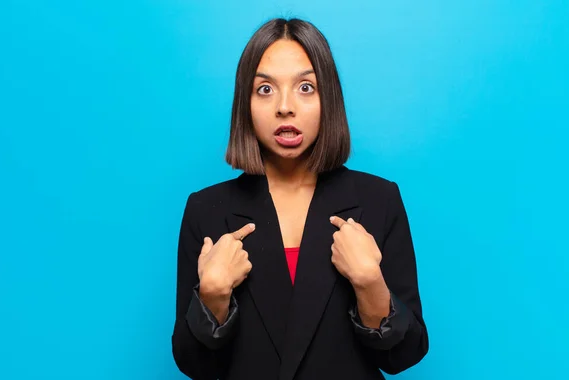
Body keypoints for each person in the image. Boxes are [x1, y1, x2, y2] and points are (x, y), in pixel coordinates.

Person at [171, 17, 429, 380]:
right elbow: (193, 364)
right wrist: (212, 296)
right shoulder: (205, 210)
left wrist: (371, 282)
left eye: (306, 87)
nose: (285, 107)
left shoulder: (379, 199)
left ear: (329, 98)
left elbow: (404, 355)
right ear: (245, 102)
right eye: (265, 90)